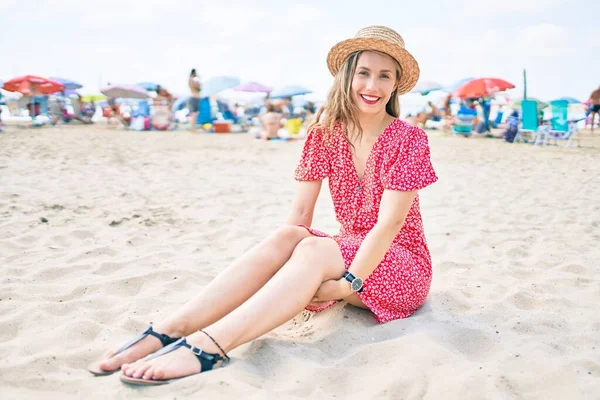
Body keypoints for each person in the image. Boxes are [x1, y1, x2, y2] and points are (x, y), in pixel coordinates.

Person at [87, 25, 437, 386]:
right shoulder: (325, 133)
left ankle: (210, 345)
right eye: (363, 73)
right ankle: (171, 329)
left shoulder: (408, 139)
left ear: (396, 85)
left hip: (399, 265)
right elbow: (300, 218)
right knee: (290, 235)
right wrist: (282, 269)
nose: (372, 86)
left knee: (314, 248)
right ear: (347, 76)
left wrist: (347, 285)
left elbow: (390, 224)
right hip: (346, 256)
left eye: (384, 76)